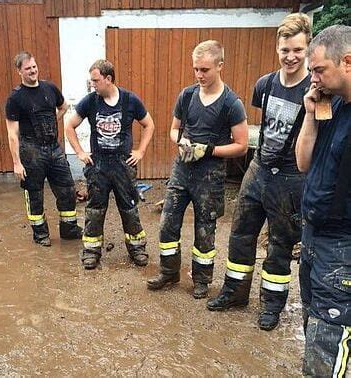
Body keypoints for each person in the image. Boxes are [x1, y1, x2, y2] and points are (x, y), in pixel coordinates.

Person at [206, 13, 312, 331]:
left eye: (297, 50)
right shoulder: (264, 85)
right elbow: (266, 125)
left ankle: (271, 305)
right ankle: (235, 293)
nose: (290, 56)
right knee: (240, 234)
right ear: (277, 48)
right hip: (258, 169)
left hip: (291, 178)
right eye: (285, 50)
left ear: (307, 48)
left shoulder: (315, 89)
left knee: (280, 243)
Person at [146, 40, 248, 298]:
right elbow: (173, 129)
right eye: (196, 69)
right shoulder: (187, 95)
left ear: (220, 66)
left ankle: (202, 280)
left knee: (205, 229)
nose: (199, 75)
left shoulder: (231, 103)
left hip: (210, 175)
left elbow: (242, 145)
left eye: (205, 69)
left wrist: (209, 150)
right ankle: (169, 272)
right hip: (182, 170)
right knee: (168, 223)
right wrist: (180, 141)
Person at [295, 25, 350, 376]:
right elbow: (303, 163)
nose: (312, 78)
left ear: (347, 61)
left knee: (331, 339)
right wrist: (312, 114)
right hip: (314, 234)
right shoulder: (332, 104)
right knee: (313, 325)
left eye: (318, 70)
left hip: (343, 244)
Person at [65, 59, 155, 269]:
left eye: (96, 80)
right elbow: (69, 126)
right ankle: (91, 251)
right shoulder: (90, 101)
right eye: (91, 81)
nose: (92, 85)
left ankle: (137, 248)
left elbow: (148, 124)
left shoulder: (130, 100)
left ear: (108, 78)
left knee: (129, 207)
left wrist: (140, 151)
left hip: (123, 165)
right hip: (99, 166)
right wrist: (79, 152)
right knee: (95, 209)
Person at [5, 51, 82, 247]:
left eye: (34, 66)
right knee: (35, 193)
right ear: (19, 72)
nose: (32, 71)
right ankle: (40, 234)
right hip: (31, 151)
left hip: (54, 149)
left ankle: (69, 229)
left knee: (67, 189)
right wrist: (16, 163)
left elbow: (64, 107)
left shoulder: (49, 88)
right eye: (27, 68)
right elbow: (12, 134)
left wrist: (51, 124)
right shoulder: (16, 98)